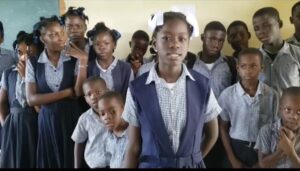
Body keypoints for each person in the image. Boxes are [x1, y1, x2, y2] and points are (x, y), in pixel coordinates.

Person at [122, 11, 221, 168]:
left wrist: (194, 158)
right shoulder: (137, 89)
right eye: (166, 38)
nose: (175, 44)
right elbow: (133, 147)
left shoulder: (202, 86)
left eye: (182, 39)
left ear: (188, 44)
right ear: (154, 44)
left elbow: (212, 134)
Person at [25, 16, 87, 168]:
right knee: (50, 160)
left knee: (72, 160)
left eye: (61, 32)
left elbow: (78, 92)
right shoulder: (33, 62)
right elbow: (31, 99)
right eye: (52, 34)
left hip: (72, 118)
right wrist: (66, 93)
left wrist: (84, 60)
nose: (60, 38)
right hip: (47, 120)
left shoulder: (74, 58)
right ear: (43, 38)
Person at [218, 48, 279, 168]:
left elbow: (276, 129)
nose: (248, 71)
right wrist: (232, 158)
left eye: (253, 66)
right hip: (235, 148)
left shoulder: (272, 95)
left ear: (261, 68)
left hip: (262, 149)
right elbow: (223, 127)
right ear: (237, 68)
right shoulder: (227, 95)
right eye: (243, 66)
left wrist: (264, 159)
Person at [0, 31, 41, 168]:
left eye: (29, 53)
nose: (24, 57)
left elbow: (38, 107)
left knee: (32, 158)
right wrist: (5, 123)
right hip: (12, 124)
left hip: (33, 122)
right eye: (20, 52)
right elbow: (2, 102)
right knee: (13, 160)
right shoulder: (8, 73)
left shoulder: (39, 73)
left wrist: (26, 77)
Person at [252, 7, 300, 95]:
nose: (261, 31)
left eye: (266, 25)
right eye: (256, 28)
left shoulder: (297, 53)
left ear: (280, 23)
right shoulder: (252, 59)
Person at [188, 21, 237, 98]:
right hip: (198, 110)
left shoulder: (231, 63)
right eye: (212, 39)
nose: (216, 45)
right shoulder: (190, 64)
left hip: (224, 110)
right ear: (202, 37)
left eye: (221, 40)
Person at [255, 87, 300, 168]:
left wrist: (290, 152)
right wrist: (281, 150)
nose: (293, 116)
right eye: (288, 110)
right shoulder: (267, 131)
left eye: (299, 112)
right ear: (280, 109)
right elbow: (263, 165)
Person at [86, 22, 134, 97]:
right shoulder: (88, 67)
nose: (102, 47)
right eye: (97, 44)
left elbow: (129, 96)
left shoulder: (126, 68)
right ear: (93, 46)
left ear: (114, 45)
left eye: (106, 43)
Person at [71, 76, 108, 168]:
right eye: (89, 94)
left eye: (98, 92)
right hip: (94, 165)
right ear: (86, 99)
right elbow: (79, 142)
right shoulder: (84, 118)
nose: (93, 97)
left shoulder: (117, 114)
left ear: (107, 92)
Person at [98, 91, 128, 168]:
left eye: (112, 111)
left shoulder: (133, 135)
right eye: (102, 114)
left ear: (124, 108)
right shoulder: (106, 137)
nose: (106, 117)